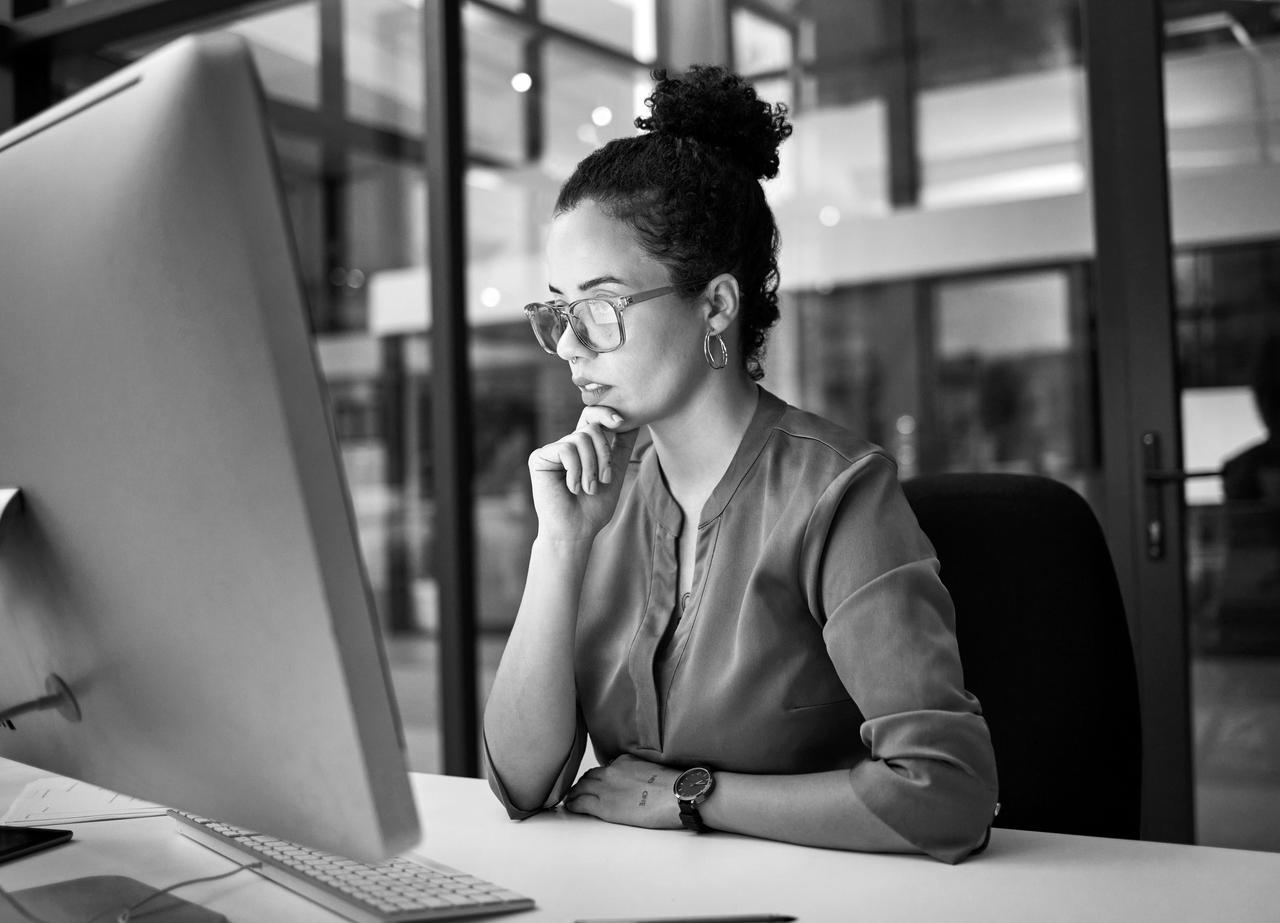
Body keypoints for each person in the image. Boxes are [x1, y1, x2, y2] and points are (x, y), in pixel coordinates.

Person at [481, 65, 998, 864]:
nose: (573, 344)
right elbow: (521, 781)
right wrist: (561, 547)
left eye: (602, 306)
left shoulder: (837, 494)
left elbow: (948, 792)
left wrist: (691, 797)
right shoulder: (604, 495)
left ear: (716, 306)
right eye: (558, 310)